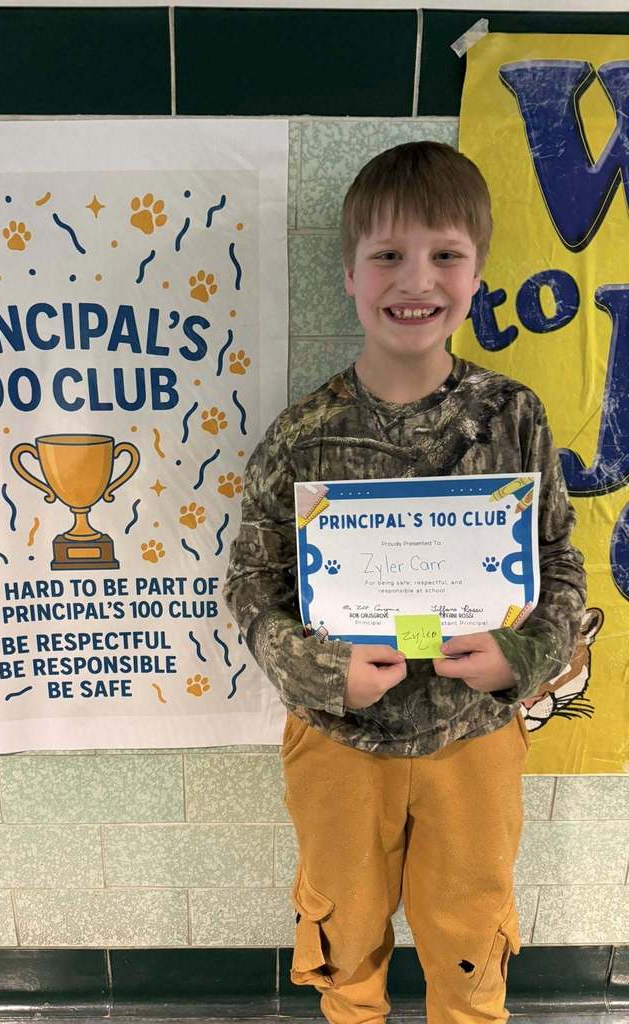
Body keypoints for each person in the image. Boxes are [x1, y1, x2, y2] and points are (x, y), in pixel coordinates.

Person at [223, 141, 585, 1024]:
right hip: (341, 743)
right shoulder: (304, 433)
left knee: (469, 942)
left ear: (477, 273)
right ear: (349, 273)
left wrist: (521, 655)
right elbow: (250, 588)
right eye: (387, 254)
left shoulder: (512, 417)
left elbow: (564, 564)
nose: (414, 279)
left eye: (444, 255)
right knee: (343, 941)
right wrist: (323, 676)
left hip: (475, 740)